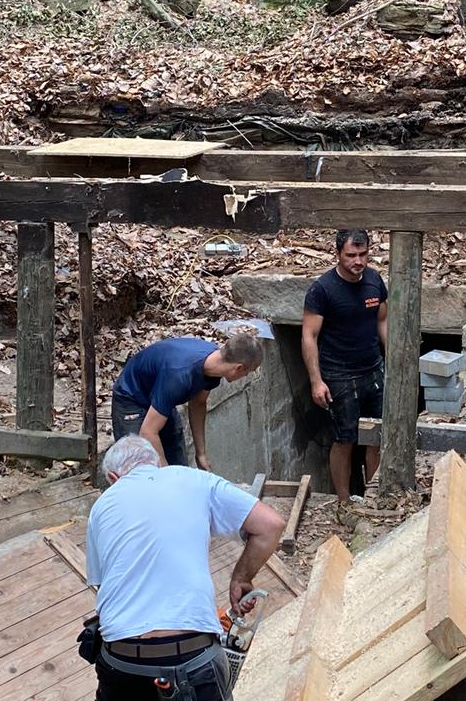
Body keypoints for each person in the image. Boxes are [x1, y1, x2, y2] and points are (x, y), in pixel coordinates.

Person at [86, 435, 285, 700]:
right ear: (156, 464)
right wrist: (240, 579)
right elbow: (271, 525)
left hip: (122, 661)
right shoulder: (193, 480)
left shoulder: (102, 506)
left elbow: (101, 585)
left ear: (113, 478)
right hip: (192, 658)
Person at [301, 229, 388, 511]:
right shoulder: (322, 290)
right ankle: (343, 502)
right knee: (345, 440)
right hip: (338, 376)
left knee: (375, 438)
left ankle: (374, 498)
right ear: (338, 253)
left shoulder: (375, 281)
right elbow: (309, 337)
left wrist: (396, 362)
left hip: (373, 370)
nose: (358, 261)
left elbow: (383, 321)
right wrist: (316, 381)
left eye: (363, 255)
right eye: (351, 255)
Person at [111, 333, 264, 470]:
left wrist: (201, 453)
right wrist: (167, 477)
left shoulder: (214, 366)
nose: (245, 377)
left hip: (161, 396)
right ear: (239, 368)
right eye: (247, 373)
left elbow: (198, 403)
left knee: (178, 463)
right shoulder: (179, 376)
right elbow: (148, 431)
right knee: (139, 467)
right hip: (132, 397)